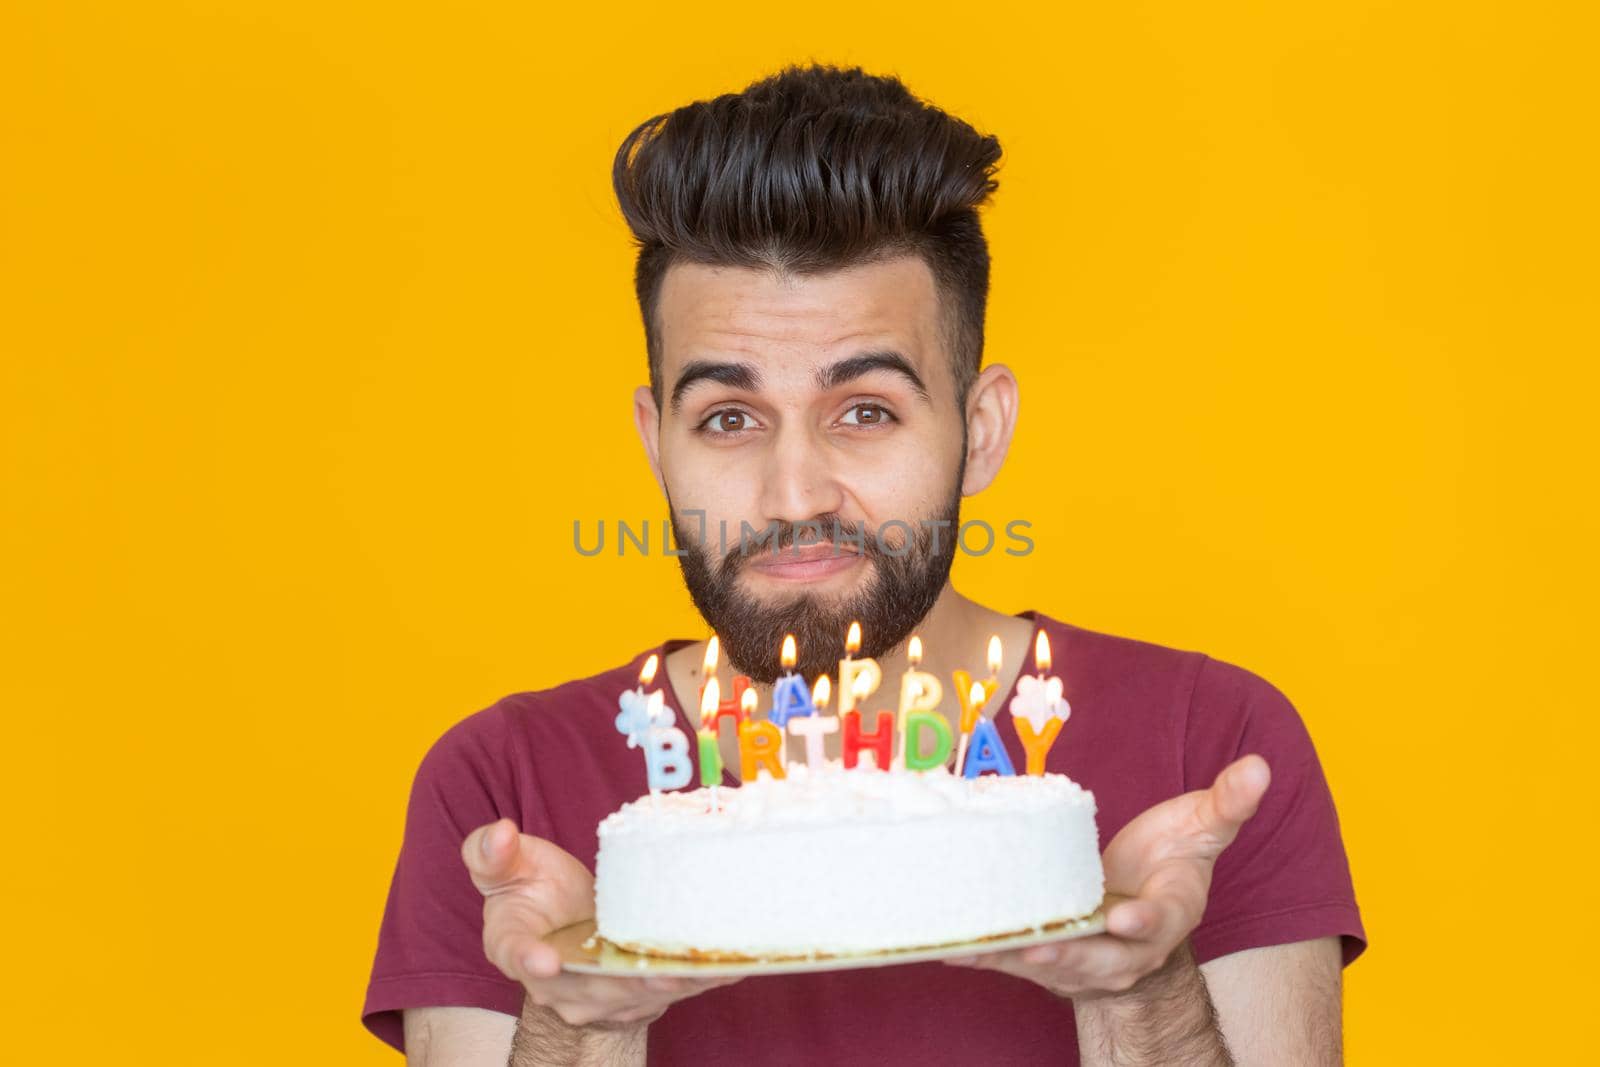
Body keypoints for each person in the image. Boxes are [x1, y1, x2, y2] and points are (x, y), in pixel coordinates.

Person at [362, 63, 1364, 1065]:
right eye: (727, 417)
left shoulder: (1208, 753)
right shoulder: (503, 795)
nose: (795, 493)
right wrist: (582, 1021)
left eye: (866, 410)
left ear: (979, 430)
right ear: (654, 437)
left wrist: (1141, 989)